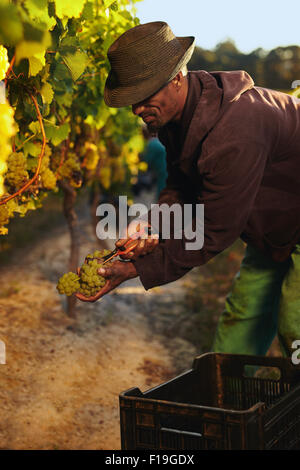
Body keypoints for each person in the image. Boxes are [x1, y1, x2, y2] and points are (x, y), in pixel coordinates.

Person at [76, 21, 300, 359]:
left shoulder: (235, 128)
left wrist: (136, 269)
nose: (137, 110)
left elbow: (216, 228)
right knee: (241, 321)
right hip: (275, 231)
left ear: (178, 76)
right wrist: (153, 224)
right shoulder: (176, 118)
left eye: (144, 95)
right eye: (131, 101)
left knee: (294, 324)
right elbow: (181, 184)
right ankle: (223, 408)